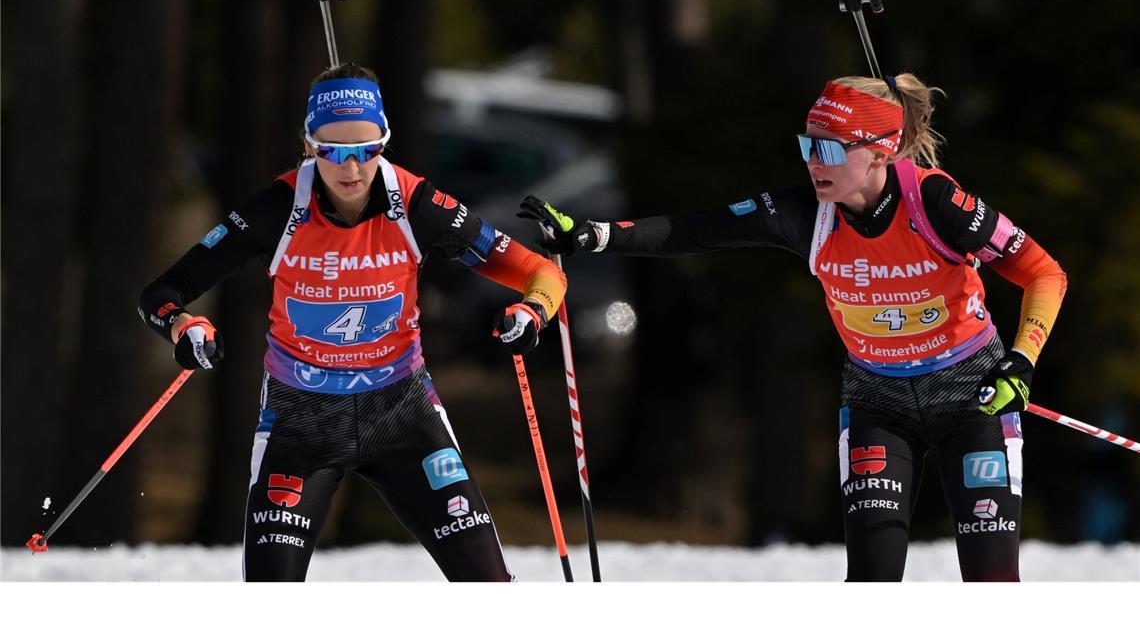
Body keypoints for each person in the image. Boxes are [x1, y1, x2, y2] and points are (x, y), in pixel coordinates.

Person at [520, 74, 1067, 581]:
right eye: (807, 145)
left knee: (992, 583)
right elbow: (697, 230)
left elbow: (1043, 273)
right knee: (871, 583)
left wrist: (1022, 359)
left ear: (879, 152)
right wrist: (595, 235)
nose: (813, 161)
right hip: (879, 402)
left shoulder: (937, 203)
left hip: (972, 397)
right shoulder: (807, 213)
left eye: (829, 148)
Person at [139, 62, 566, 581]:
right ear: (308, 145)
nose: (352, 168)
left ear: (384, 142)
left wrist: (532, 310)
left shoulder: (417, 205)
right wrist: (184, 327)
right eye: (333, 151)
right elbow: (162, 294)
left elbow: (540, 273)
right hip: (301, 418)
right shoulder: (276, 210)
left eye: (367, 150)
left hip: (402, 412)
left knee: (489, 588)